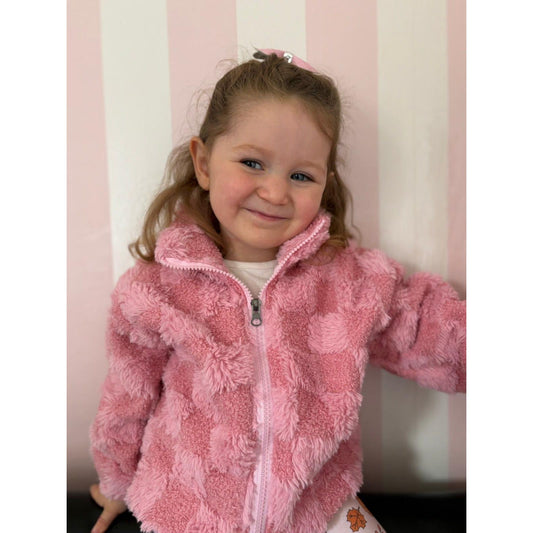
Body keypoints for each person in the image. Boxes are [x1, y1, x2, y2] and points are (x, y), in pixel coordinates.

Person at [89, 49, 466, 533]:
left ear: (325, 183)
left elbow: (431, 333)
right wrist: (116, 482)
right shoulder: (155, 290)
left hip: (318, 504)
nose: (274, 192)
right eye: (252, 163)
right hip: (189, 509)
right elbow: (127, 395)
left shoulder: (352, 283)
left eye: (301, 175)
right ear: (203, 163)